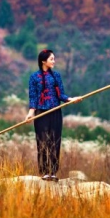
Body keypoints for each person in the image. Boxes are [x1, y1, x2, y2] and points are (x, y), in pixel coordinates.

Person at [25, 49, 82, 182]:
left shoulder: (56, 76)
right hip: (41, 113)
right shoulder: (34, 77)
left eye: (54, 58)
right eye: (51, 59)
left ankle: (53, 171)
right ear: (43, 61)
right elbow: (33, 97)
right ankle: (44, 171)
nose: (54, 61)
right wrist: (30, 113)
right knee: (43, 141)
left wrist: (71, 99)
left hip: (55, 111)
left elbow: (61, 94)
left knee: (55, 141)